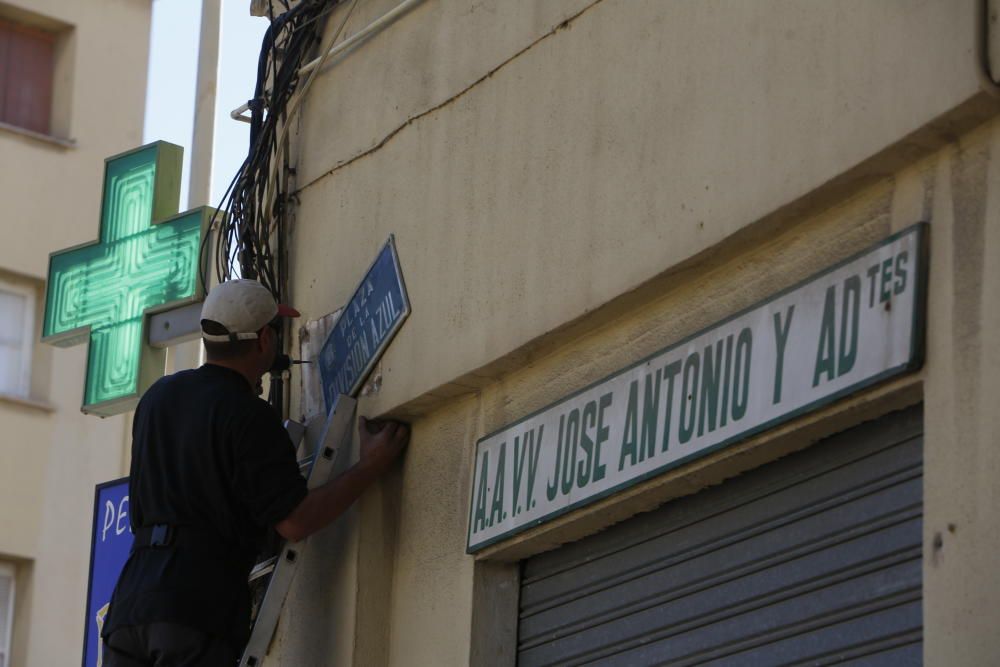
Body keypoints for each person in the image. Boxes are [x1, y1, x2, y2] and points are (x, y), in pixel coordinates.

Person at [102, 279, 409, 666]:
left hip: (129, 607)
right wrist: (370, 466)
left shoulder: (158, 398)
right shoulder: (248, 416)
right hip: (194, 611)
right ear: (264, 339)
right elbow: (295, 522)